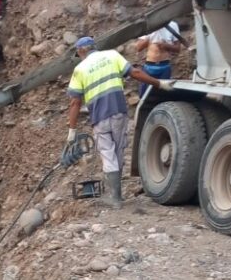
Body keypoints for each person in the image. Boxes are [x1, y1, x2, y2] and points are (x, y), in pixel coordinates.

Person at [66, 35, 174, 209]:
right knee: (118, 151)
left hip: (99, 117)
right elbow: (135, 73)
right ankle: (117, 195)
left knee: (108, 154)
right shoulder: (112, 55)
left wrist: (72, 130)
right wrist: (159, 83)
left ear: (80, 52)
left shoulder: (79, 70)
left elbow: (75, 102)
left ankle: (115, 198)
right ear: (94, 47)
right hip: (118, 112)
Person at [135, 22, 182, 96]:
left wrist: (166, 46)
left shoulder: (172, 25)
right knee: (144, 94)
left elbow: (178, 49)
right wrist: (149, 37)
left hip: (164, 67)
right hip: (149, 67)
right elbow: (138, 47)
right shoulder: (147, 25)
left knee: (163, 95)